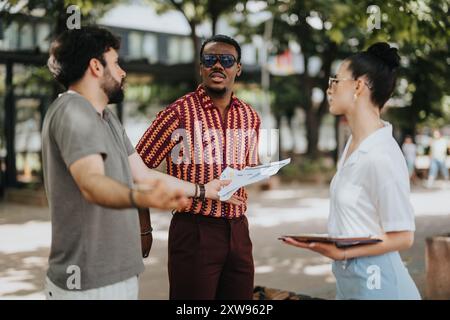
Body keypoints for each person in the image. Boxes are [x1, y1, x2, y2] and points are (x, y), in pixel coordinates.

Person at [42, 26, 230, 300]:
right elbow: (92, 183)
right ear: (96, 66)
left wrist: (204, 190)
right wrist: (146, 198)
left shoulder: (106, 118)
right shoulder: (73, 110)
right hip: (88, 282)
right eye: (116, 63)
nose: (122, 72)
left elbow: (144, 175)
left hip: (118, 275)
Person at [282, 42, 421, 300]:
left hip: (382, 288)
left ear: (358, 86)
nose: (329, 88)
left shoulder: (382, 155)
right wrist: (334, 241)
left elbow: (403, 237)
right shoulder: (352, 144)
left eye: (335, 81)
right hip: (351, 286)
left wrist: (344, 251)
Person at [136, 35, 260, 300]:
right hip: (194, 230)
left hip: (239, 230)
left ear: (237, 68)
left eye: (226, 60)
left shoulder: (251, 117)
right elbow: (136, 169)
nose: (218, 66)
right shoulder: (177, 113)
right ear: (201, 67)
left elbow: (248, 167)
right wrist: (143, 227)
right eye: (210, 59)